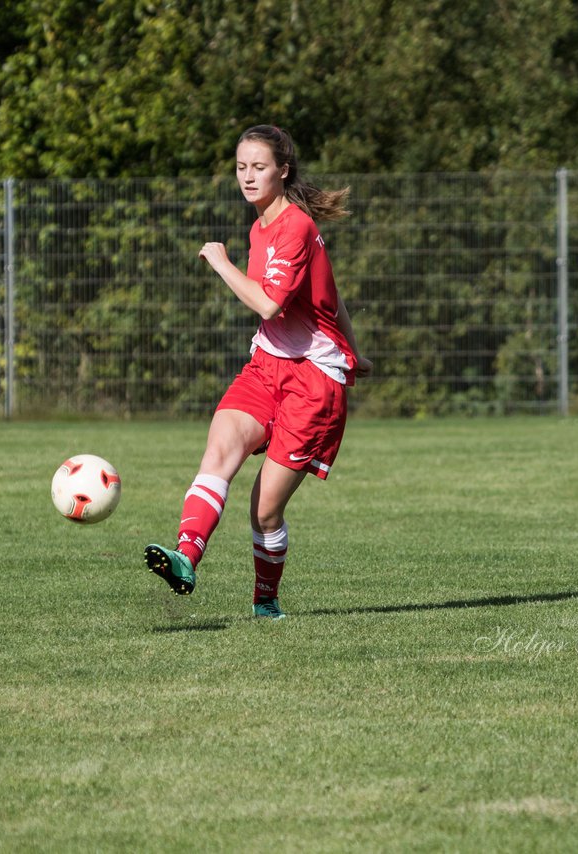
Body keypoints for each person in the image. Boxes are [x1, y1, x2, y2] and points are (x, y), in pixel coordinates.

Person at [145, 125, 372, 619]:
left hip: (313, 382)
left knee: (265, 509)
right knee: (220, 447)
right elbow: (330, 298)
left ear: (282, 171)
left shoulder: (295, 227)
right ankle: (186, 556)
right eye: (241, 167)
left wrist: (222, 264)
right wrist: (359, 348)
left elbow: (268, 303)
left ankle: (265, 601)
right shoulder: (261, 226)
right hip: (266, 365)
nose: (248, 177)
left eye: (259, 167)